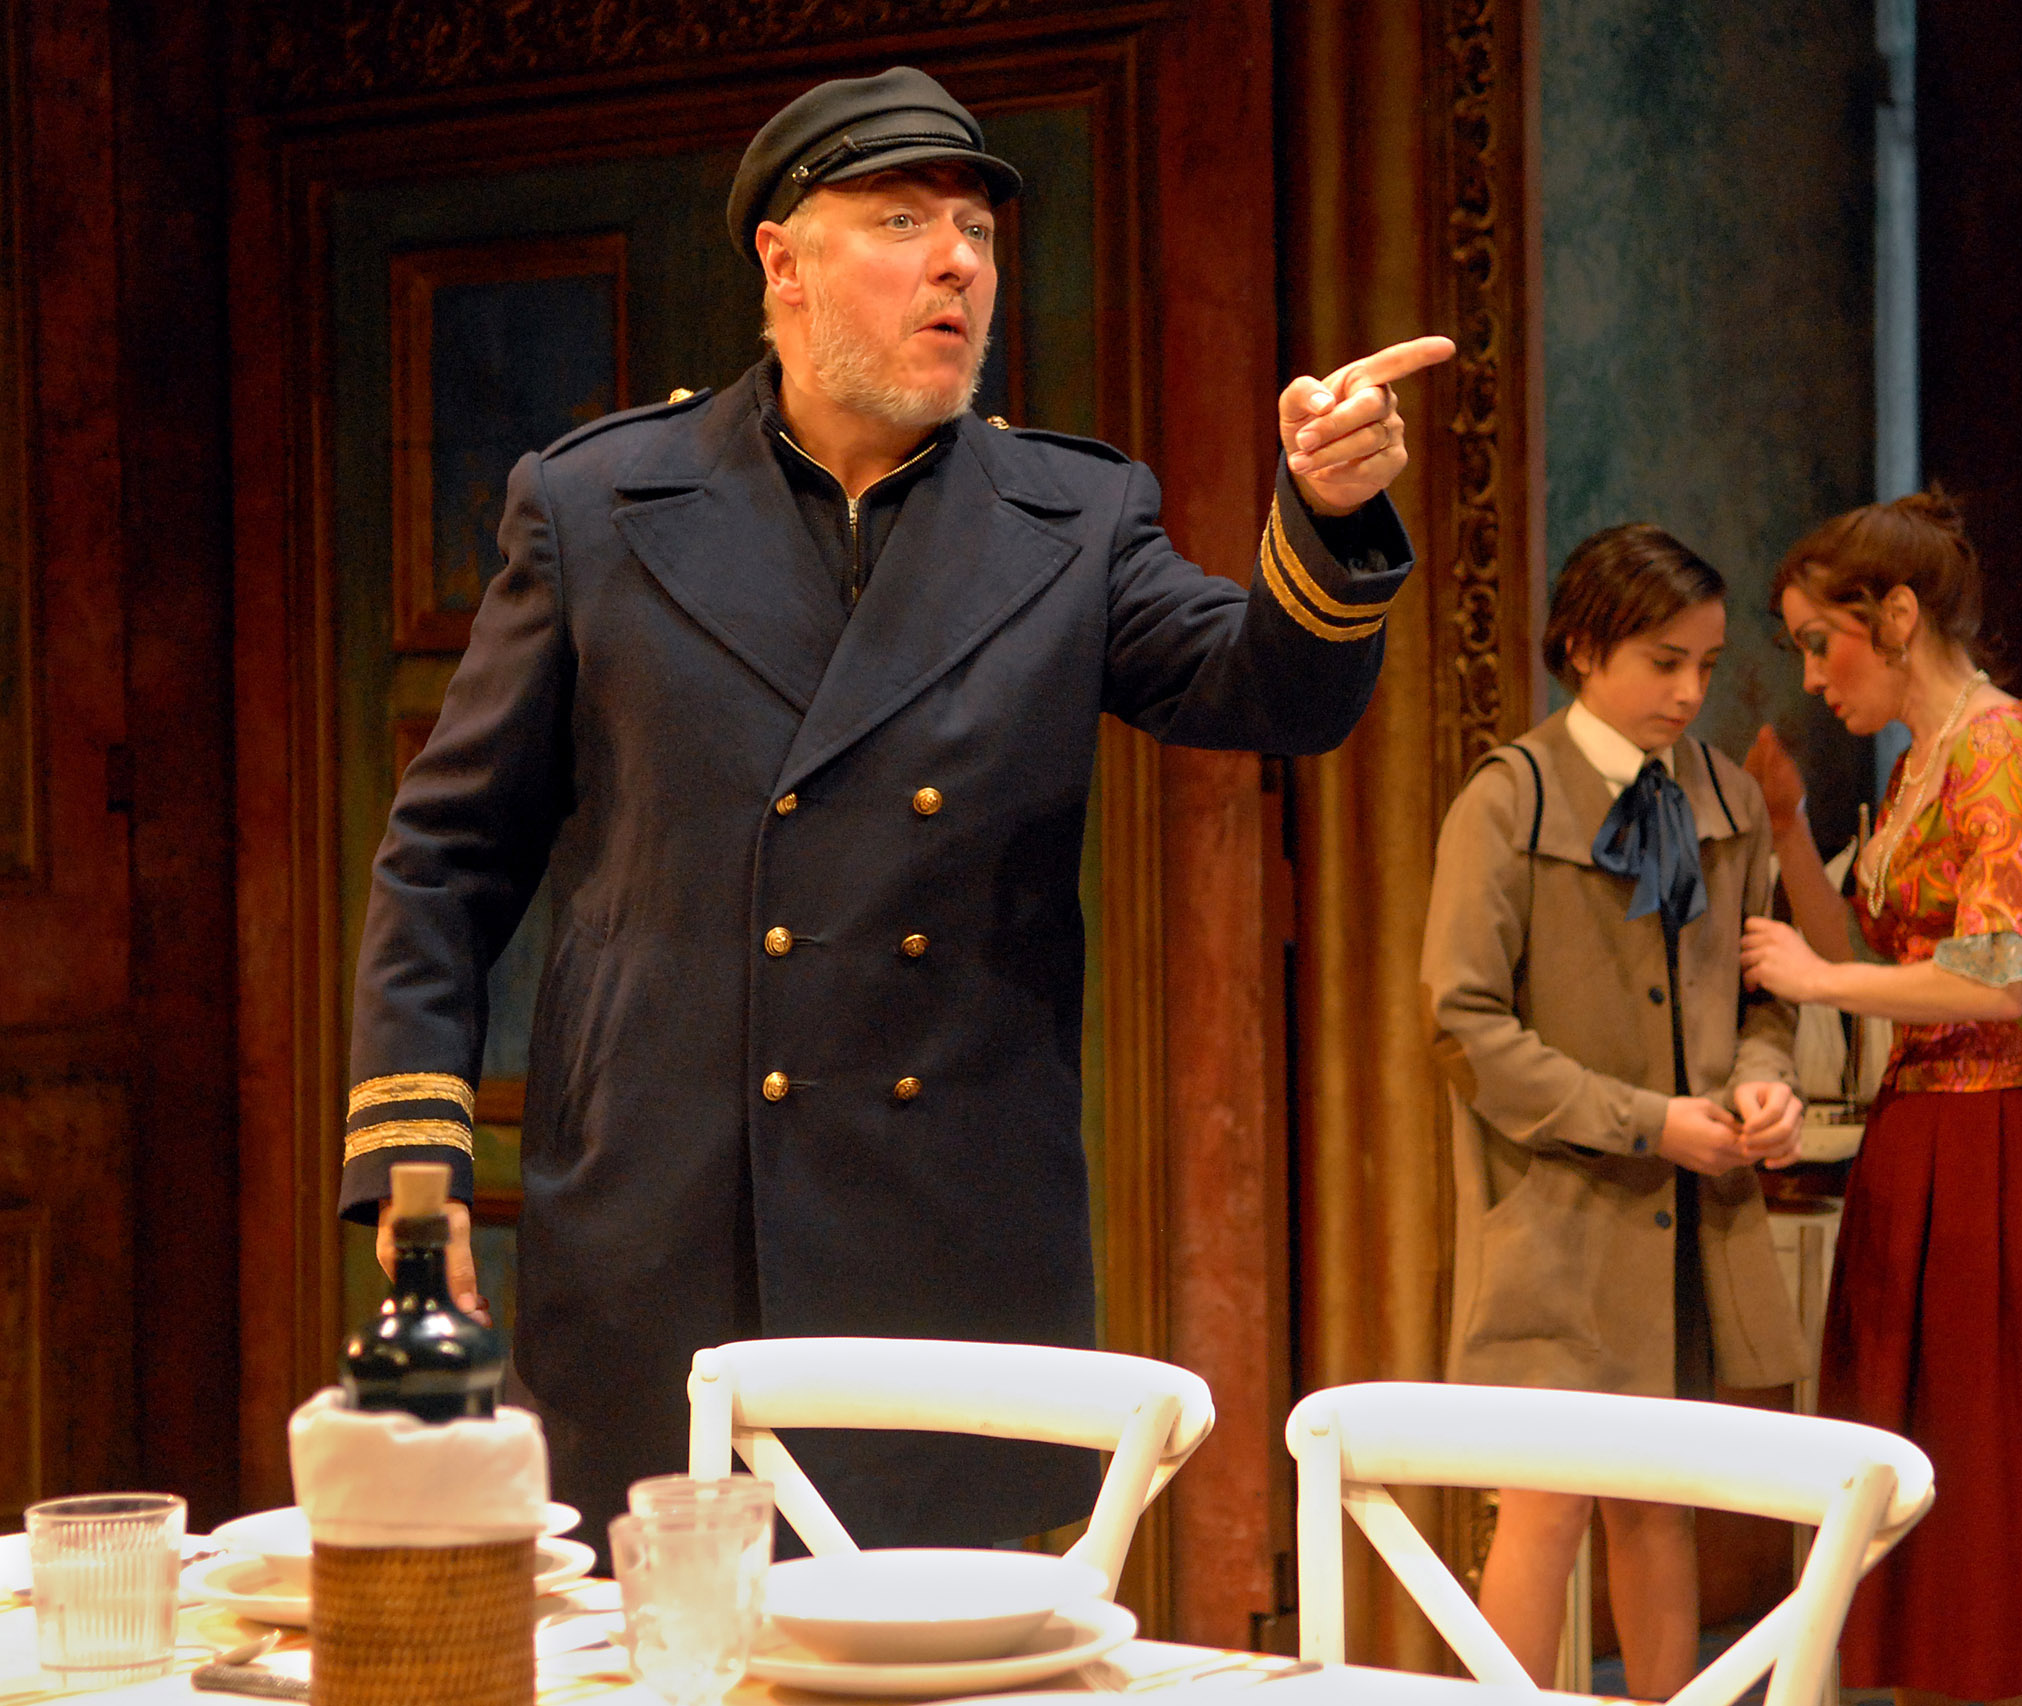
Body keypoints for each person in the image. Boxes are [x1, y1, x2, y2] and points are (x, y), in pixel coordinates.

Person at [338, 65, 1453, 1553]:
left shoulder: (1074, 520)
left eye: (978, 231)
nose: (960, 263)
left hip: (950, 1253)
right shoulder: (599, 506)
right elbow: (444, 861)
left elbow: (1269, 692)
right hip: (662, 1231)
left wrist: (1326, 512)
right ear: (783, 262)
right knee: (667, 1644)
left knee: (944, 1641)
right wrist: (416, 1170)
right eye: (905, 220)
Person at [1737, 491, 2022, 1701]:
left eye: (1822, 641)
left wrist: (1822, 979)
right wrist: (1789, 829)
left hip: (2001, 1144)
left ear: (1899, 616)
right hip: (1926, 1138)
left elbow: (2001, 979)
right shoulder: (1925, 762)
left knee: (1994, 1487)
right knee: (1922, 1483)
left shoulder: (2001, 751)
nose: (1813, 676)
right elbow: (1876, 959)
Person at [1421, 524, 1809, 1698]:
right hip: (1558, 1213)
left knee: (1657, 1502)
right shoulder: (1510, 797)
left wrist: (1763, 1081)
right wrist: (1649, 1119)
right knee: (1545, 1500)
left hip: (1689, 1223)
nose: (1689, 691)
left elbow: (1765, 993)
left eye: (1706, 664)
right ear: (1585, 648)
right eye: (1662, 661)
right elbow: (1464, 1024)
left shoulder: (1727, 797)